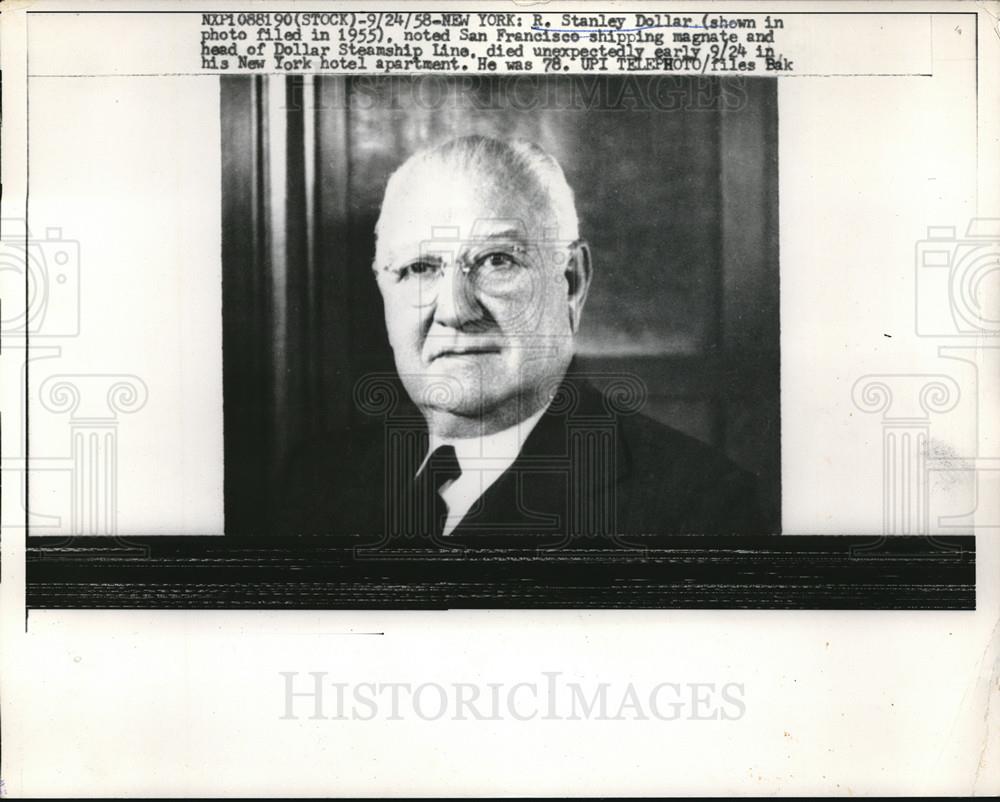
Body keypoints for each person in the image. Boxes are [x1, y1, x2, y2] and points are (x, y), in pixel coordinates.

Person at [279, 135, 763, 546]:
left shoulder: (696, 510)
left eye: (496, 261)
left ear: (570, 281)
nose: (455, 311)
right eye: (420, 268)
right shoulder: (316, 482)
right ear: (384, 290)